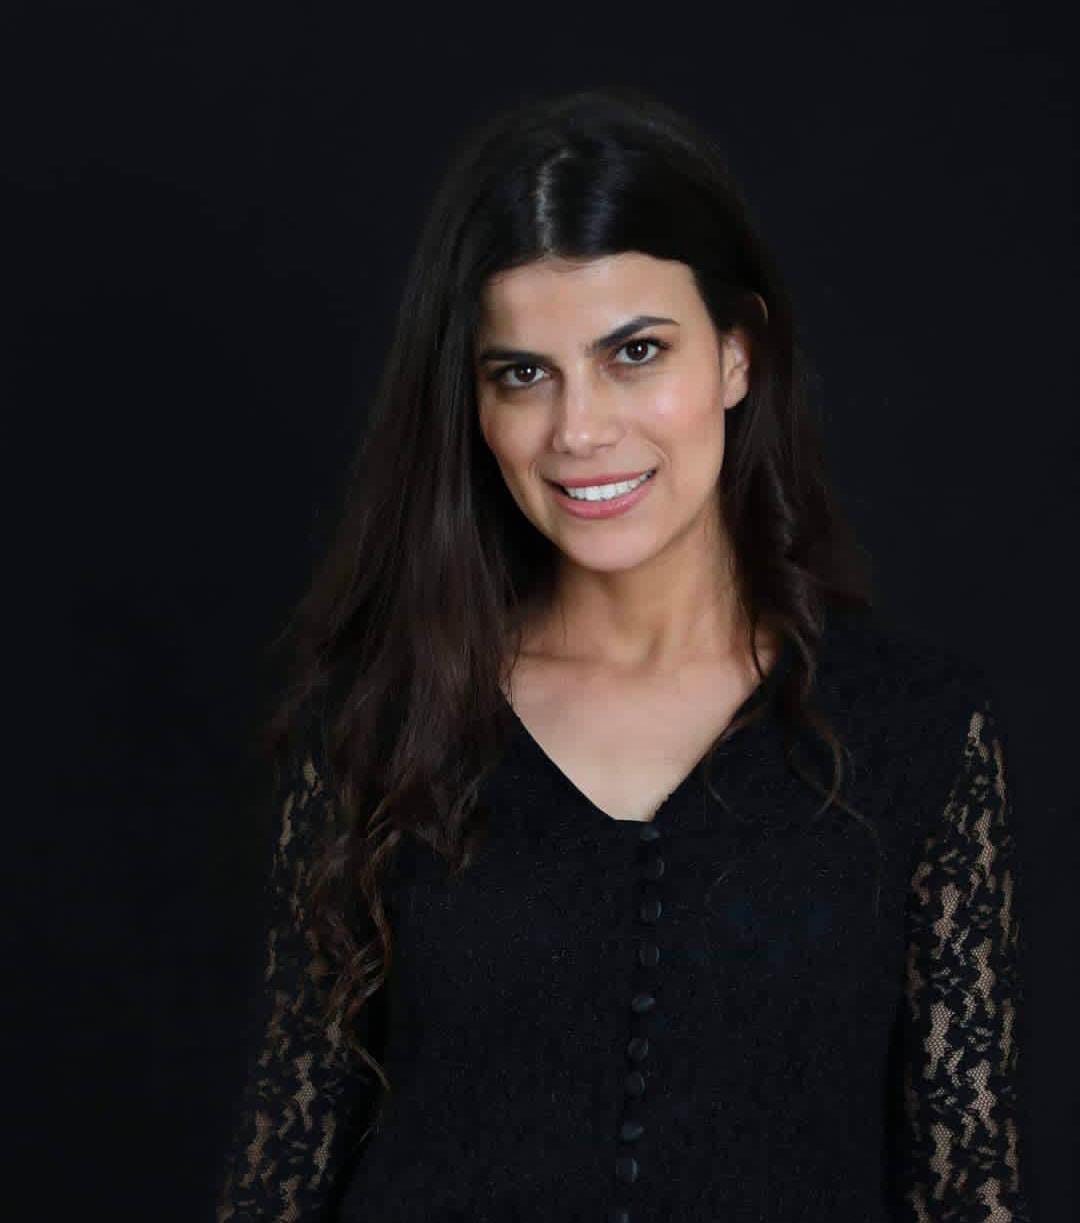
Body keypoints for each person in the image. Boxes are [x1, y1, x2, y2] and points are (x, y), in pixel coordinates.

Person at [213, 85, 1032, 1222]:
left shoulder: (918, 731)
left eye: (635, 352)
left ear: (737, 355)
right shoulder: (382, 721)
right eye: (523, 373)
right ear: (474, 403)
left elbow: (968, 1187)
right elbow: (282, 1174)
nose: (580, 430)